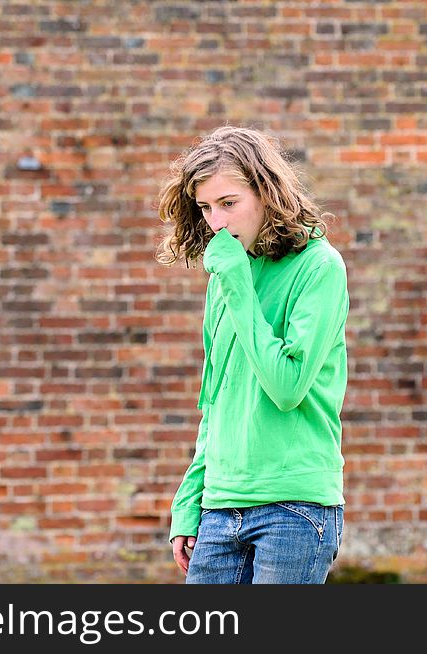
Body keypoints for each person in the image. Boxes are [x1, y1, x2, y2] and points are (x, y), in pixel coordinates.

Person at [155, 125, 349, 584]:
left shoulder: (319, 267)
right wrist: (190, 500)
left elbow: (286, 387)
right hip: (220, 507)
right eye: (205, 207)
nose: (216, 222)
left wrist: (239, 284)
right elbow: (216, 399)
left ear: (266, 193)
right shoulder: (228, 275)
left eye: (228, 203)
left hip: (294, 509)